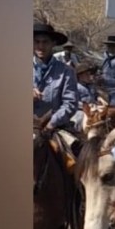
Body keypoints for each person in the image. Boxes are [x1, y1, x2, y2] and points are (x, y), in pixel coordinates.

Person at [33, 21, 79, 160]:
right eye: (37, 42)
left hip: (54, 127)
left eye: (45, 42)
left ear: (53, 44)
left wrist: (52, 122)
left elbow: (70, 103)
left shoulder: (66, 71)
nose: (41, 46)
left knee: (73, 162)